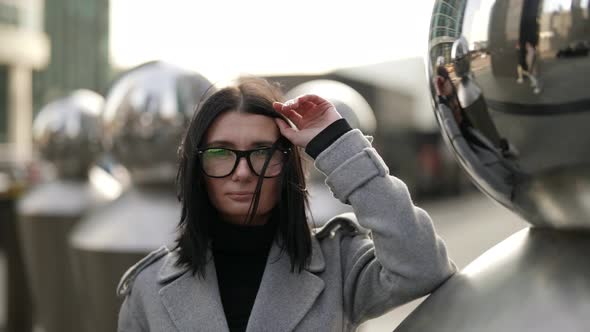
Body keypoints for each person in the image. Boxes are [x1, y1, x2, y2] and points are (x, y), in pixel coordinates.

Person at [116, 78, 456, 331]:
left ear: (287, 165)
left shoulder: (339, 262)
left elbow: (422, 266)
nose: (244, 173)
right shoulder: (149, 289)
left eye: (262, 153)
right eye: (221, 153)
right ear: (197, 168)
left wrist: (336, 144)